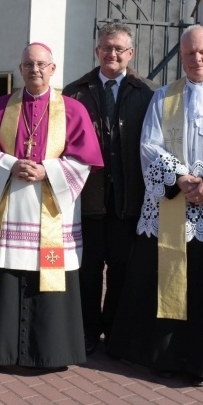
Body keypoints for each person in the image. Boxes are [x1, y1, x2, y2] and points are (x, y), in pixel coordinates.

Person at [107, 25, 203, 386]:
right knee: (168, 282)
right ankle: (165, 357)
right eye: (189, 53)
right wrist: (180, 179)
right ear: (182, 56)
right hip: (174, 205)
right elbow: (149, 146)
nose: (196, 59)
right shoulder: (162, 97)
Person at [0, 42, 103, 369]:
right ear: (20, 69)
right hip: (11, 207)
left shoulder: (73, 110)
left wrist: (48, 170)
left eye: (42, 64)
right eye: (29, 64)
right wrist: (10, 166)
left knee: (50, 276)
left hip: (52, 212)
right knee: (9, 274)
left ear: (53, 69)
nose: (35, 70)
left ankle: (50, 352)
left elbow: (84, 160)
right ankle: (1, 350)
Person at [62, 23, 156, 356]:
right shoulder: (74, 93)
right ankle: (87, 330)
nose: (112, 54)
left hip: (130, 200)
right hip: (88, 200)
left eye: (119, 49)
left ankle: (115, 330)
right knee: (87, 270)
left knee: (123, 270)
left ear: (130, 54)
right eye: (106, 47)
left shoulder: (149, 93)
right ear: (96, 50)